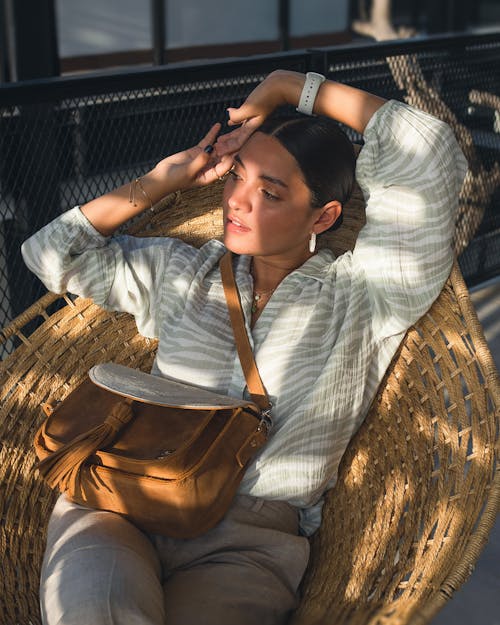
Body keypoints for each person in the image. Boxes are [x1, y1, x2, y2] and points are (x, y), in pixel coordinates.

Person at [21, 69, 467, 625]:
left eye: (270, 192)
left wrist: (290, 86)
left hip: (246, 543)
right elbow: (50, 256)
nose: (238, 202)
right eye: (237, 177)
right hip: (119, 499)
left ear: (324, 216)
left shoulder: (366, 296)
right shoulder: (185, 271)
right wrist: (162, 180)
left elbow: (427, 148)